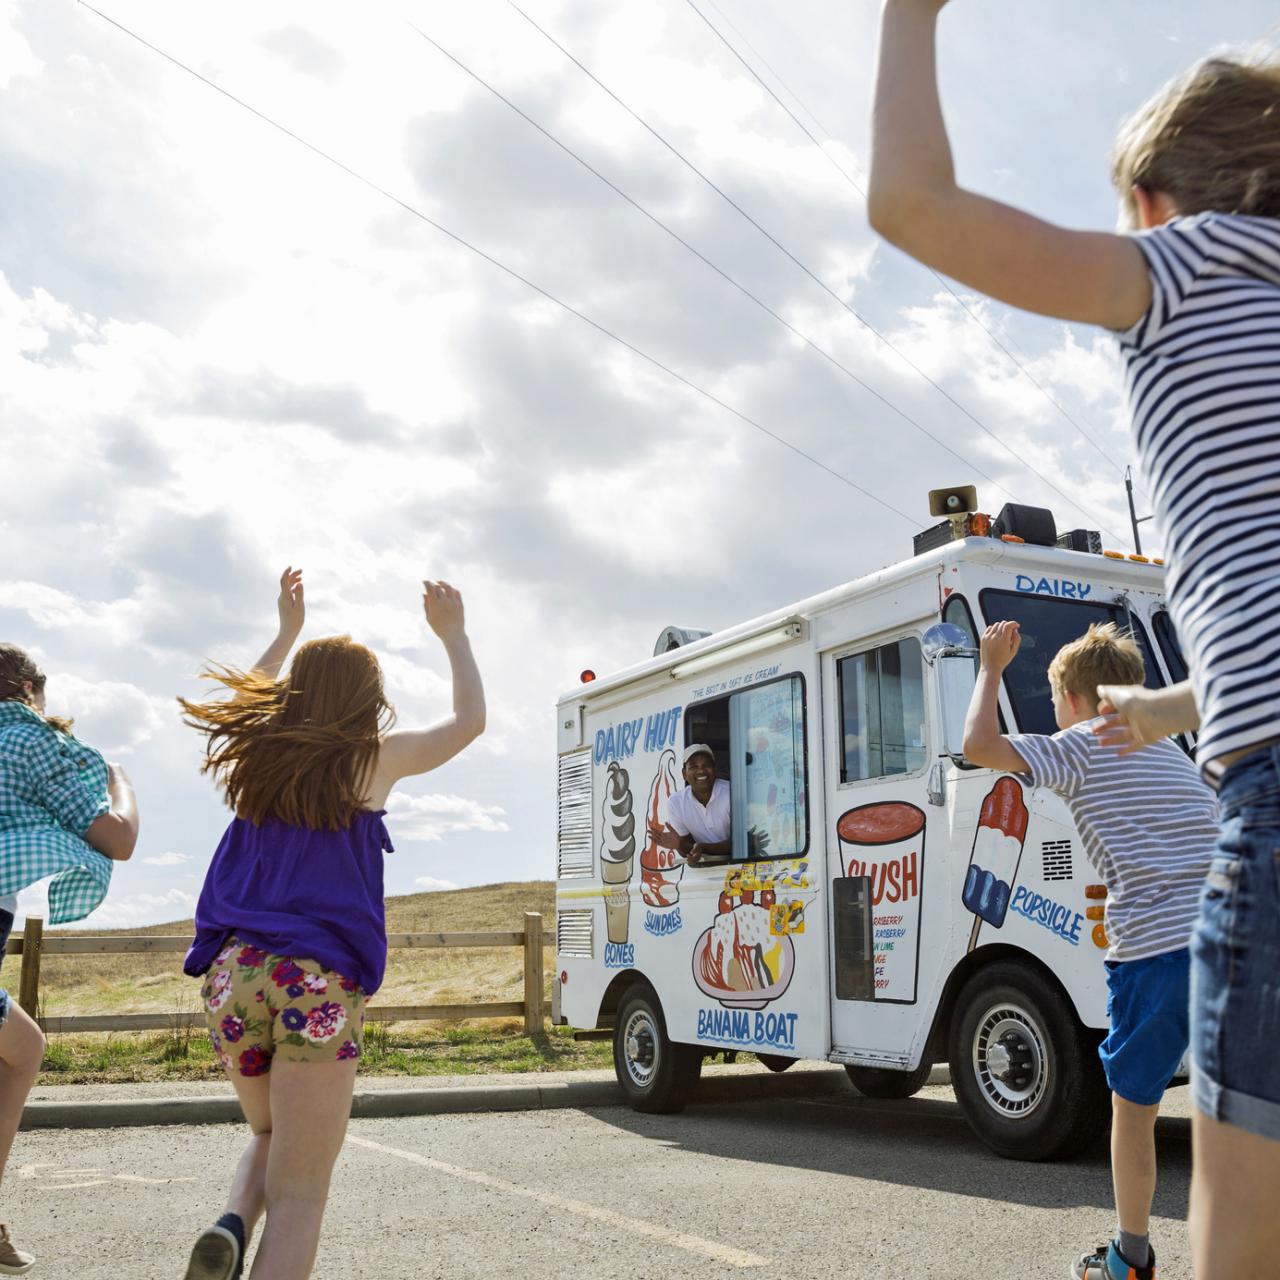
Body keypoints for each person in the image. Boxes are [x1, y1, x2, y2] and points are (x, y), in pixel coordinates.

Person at [870, 9, 1280, 1274]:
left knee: (1239, 1220)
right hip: (1227, 731)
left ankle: (1131, 1248)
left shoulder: (1182, 263)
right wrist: (1165, 709)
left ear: (1149, 206)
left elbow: (910, 202)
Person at [177, 569, 484, 1280]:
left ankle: (230, 1223)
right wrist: (455, 636)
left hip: (231, 977)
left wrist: (285, 632)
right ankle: (243, 1229)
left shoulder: (257, 758)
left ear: (295, 695)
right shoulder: (370, 761)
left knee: (270, 1132)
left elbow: (240, 699)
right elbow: (468, 724)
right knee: (303, 1192)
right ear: (367, 700)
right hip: (314, 980)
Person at [965, 620, 1215, 1278]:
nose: (1054, 713)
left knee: (1132, 1109)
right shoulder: (1170, 748)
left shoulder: (1079, 744)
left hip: (1156, 951)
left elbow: (978, 745)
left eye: (1052, 701)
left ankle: (1130, 1259)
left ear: (1075, 700)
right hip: (1232, 936)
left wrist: (991, 666)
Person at [0, 644, 140, 1275]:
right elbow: (118, 836)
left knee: (22, 1045)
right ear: (29, 687)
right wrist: (121, 781)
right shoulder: (30, 739)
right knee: (24, 1052)